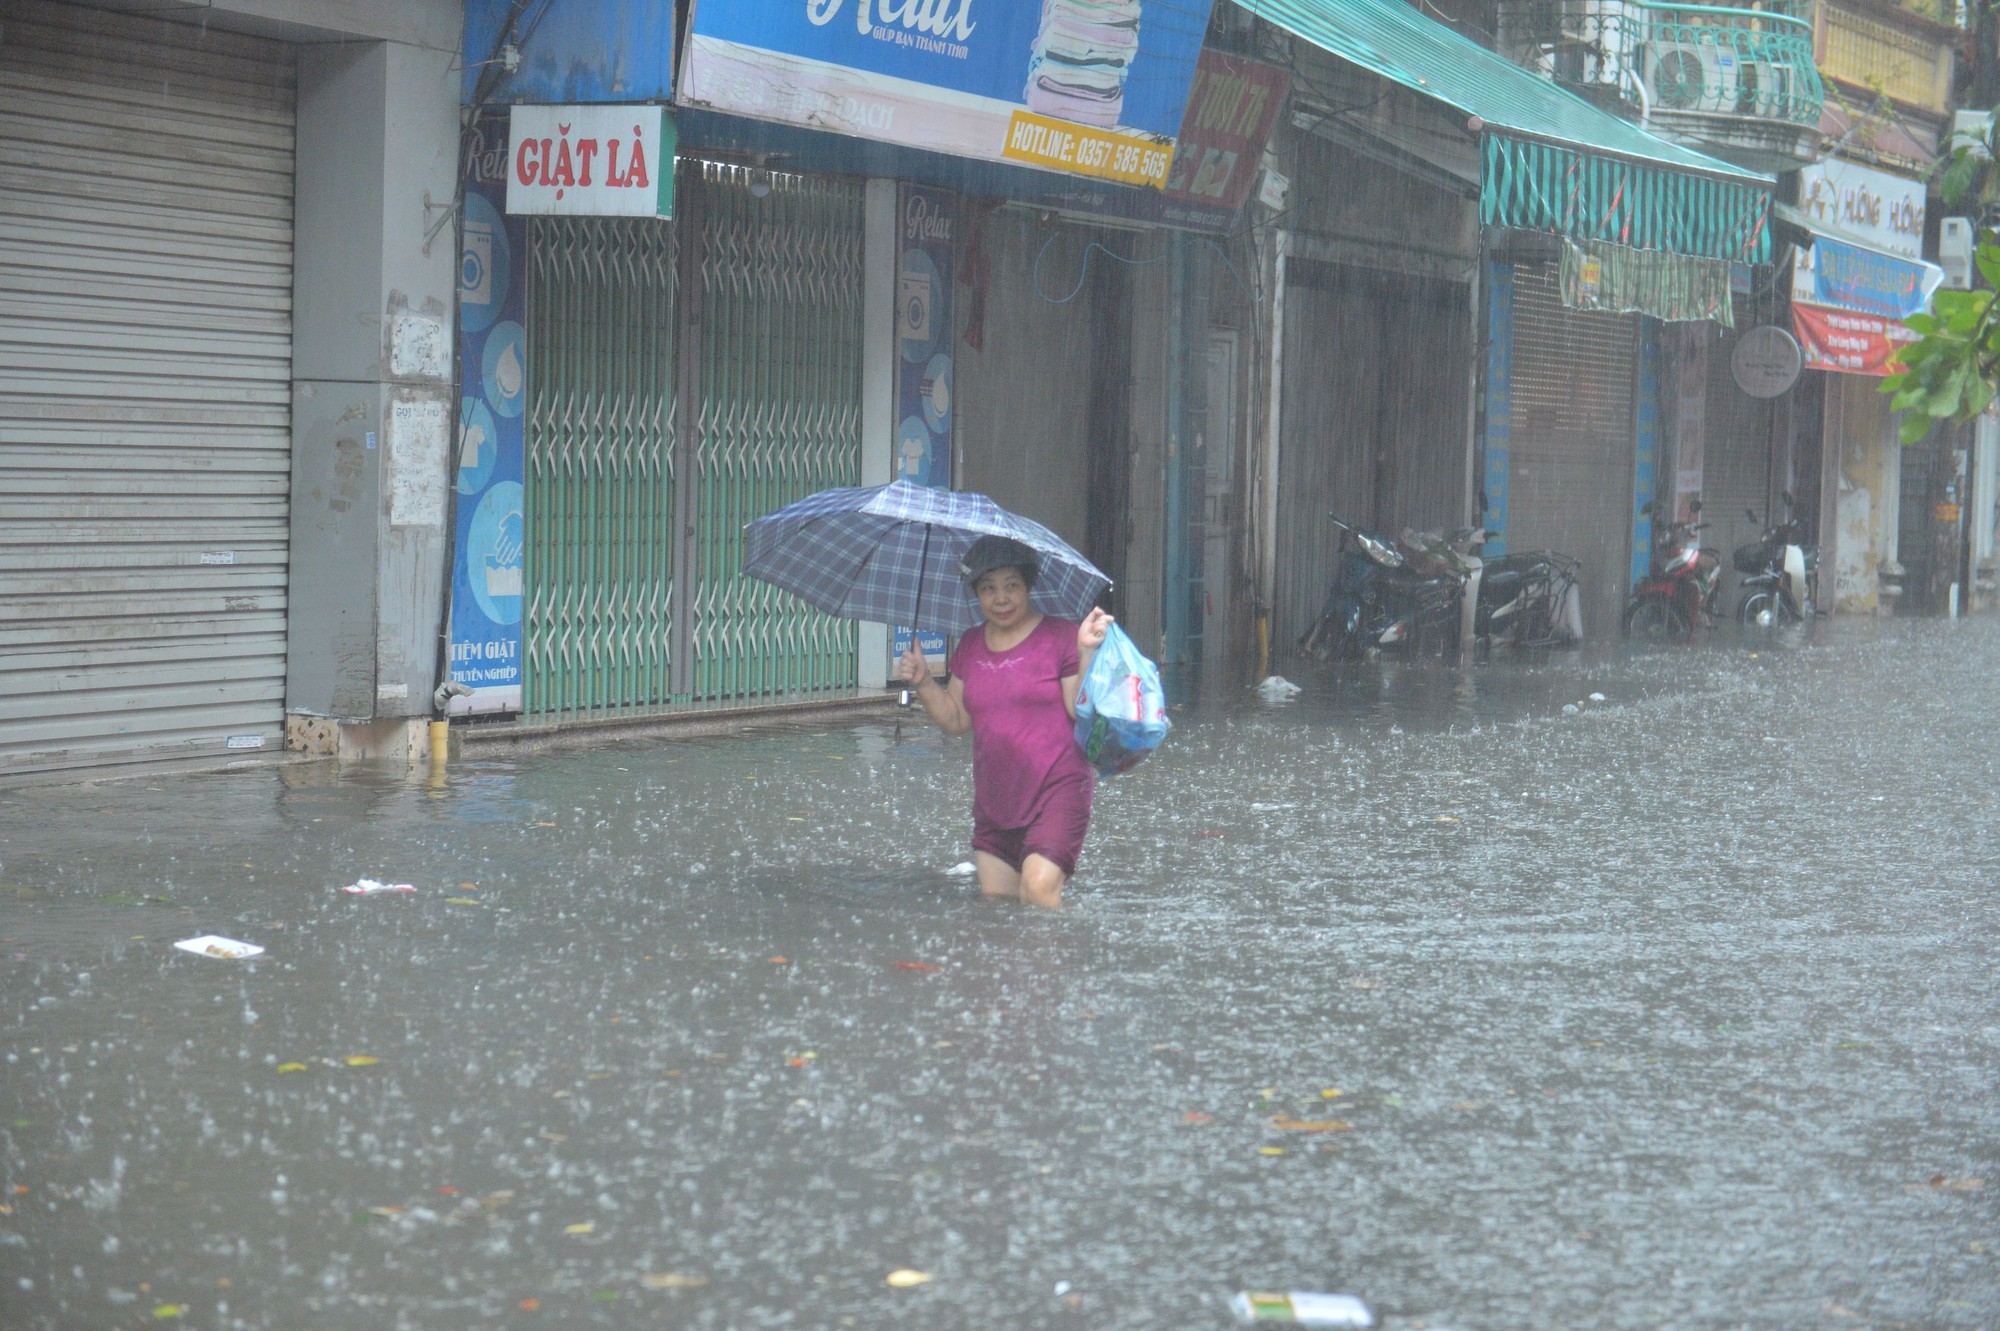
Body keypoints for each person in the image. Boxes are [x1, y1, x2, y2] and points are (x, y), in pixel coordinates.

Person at [895, 535, 1111, 909]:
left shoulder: (1060, 636)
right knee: (997, 908)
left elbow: (1080, 710)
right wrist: (923, 682)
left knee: (1039, 890)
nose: (1001, 598)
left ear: (1028, 586)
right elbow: (957, 719)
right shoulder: (971, 643)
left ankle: (1058, 966)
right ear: (976, 594)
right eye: (988, 588)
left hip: (1057, 790)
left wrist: (1086, 652)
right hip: (996, 802)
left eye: (1012, 585)